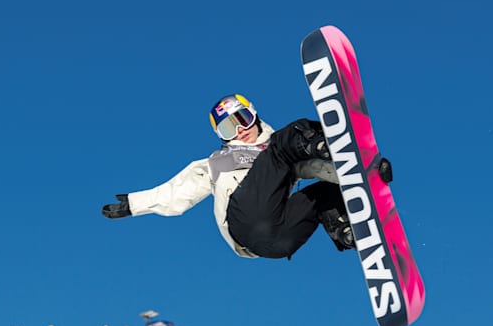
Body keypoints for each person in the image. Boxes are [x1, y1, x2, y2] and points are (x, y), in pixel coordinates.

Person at [102, 94, 392, 259]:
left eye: (242, 119)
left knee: (324, 191)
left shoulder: (281, 154)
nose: (240, 131)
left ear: (254, 115)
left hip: (279, 241)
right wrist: (135, 204)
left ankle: (346, 231)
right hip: (245, 223)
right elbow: (179, 191)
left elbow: (316, 169)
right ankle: (322, 143)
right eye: (228, 129)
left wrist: (367, 173)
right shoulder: (219, 162)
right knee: (284, 142)